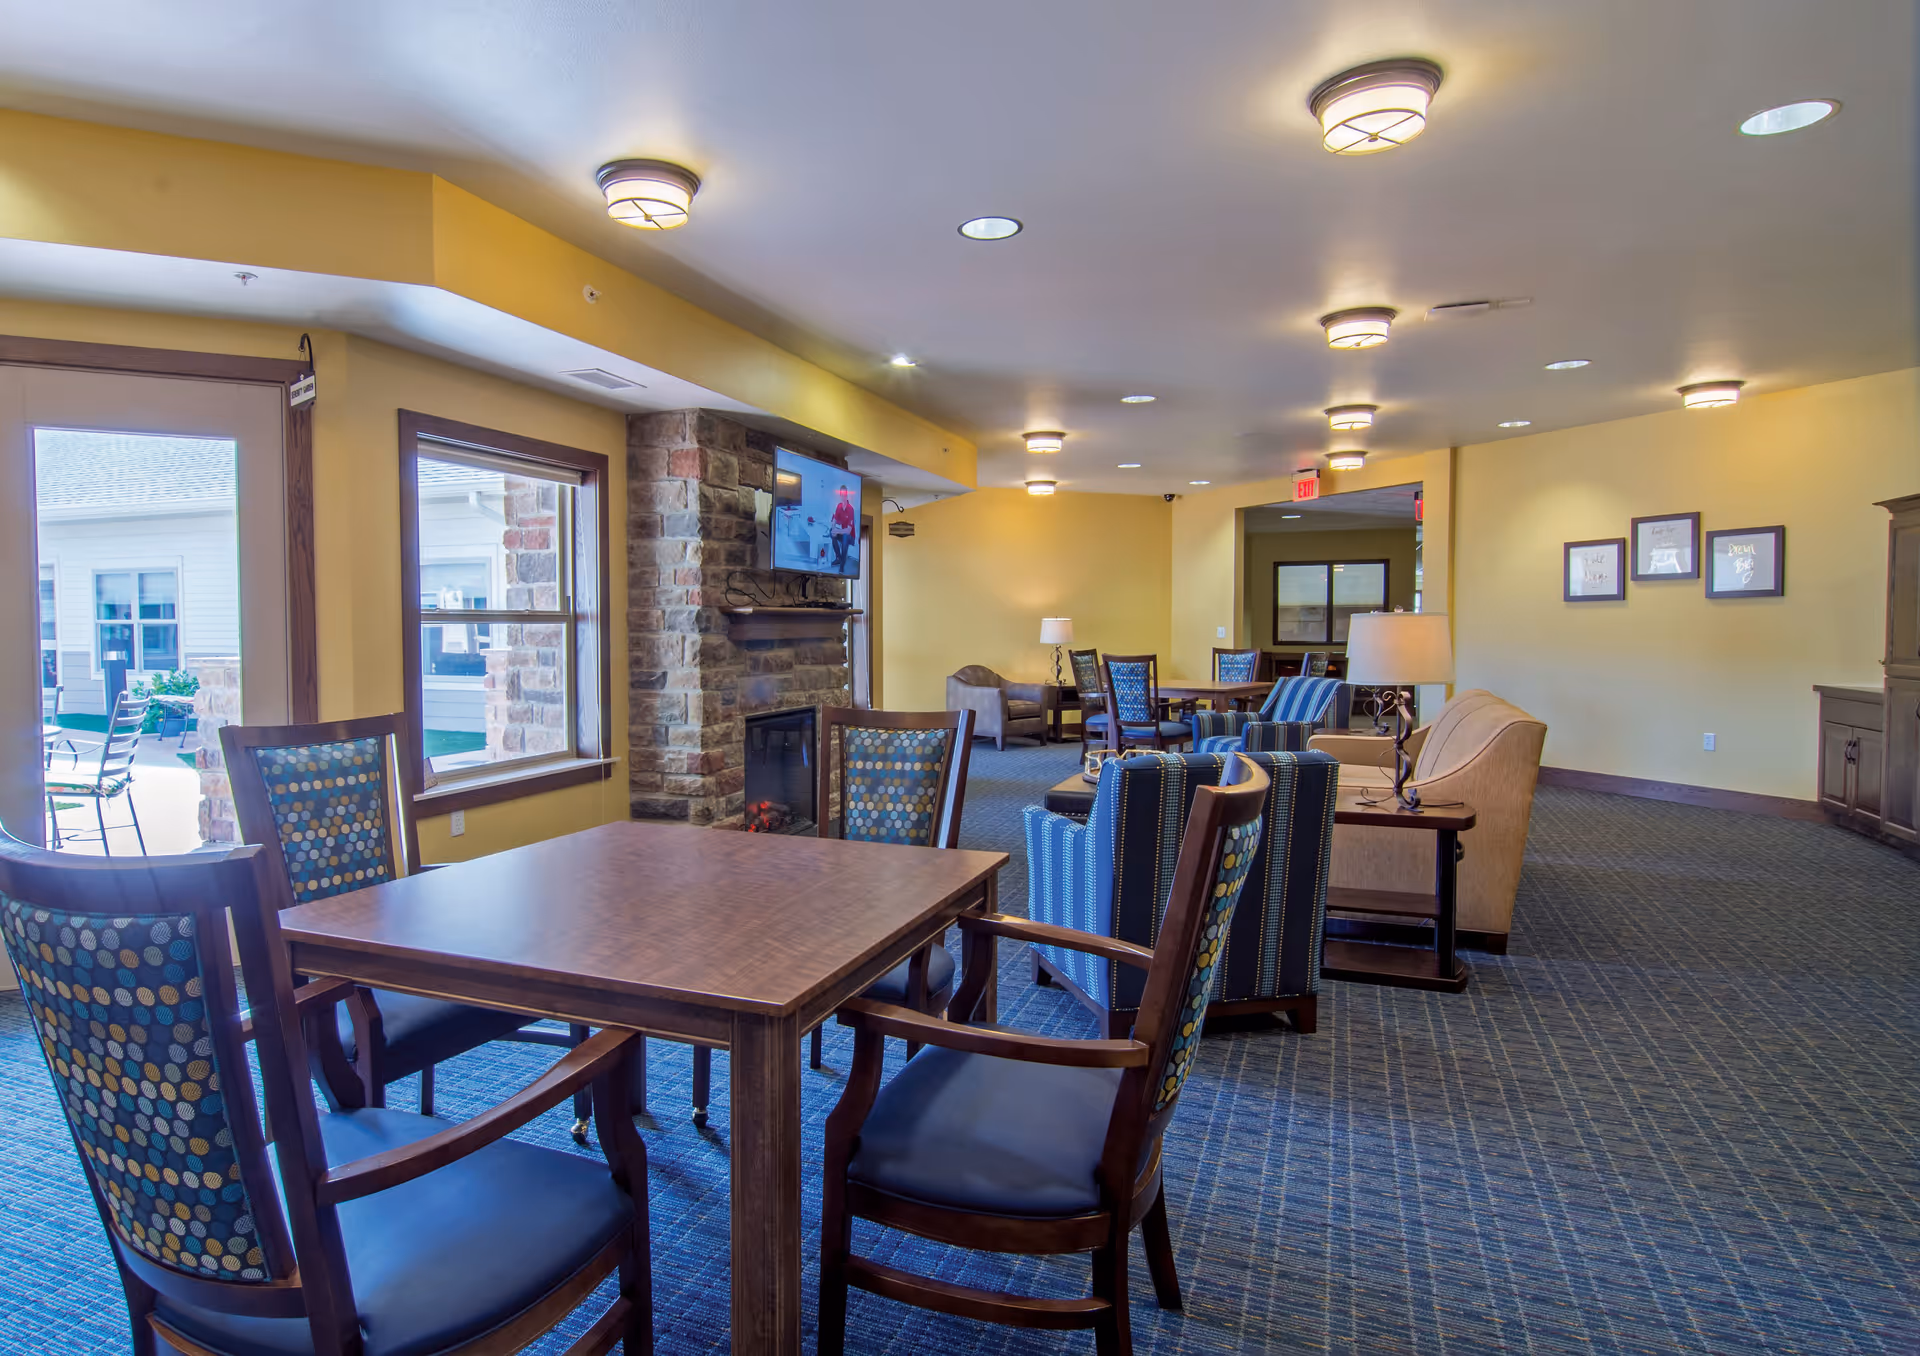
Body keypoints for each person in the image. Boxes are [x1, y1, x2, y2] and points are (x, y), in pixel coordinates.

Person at [830, 485, 857, 572]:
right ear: (840, 495)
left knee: (845, 536)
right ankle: (838, 557)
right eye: (842, 494)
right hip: (842, 533)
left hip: (850, 537)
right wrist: (833, 528)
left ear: (847, 495)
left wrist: (837, 531)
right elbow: (835, 519)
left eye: (845, 494)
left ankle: (842, 565)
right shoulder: (839, 506)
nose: (843, 496)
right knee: (831, 532)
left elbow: (848, 531)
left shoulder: (850, 509)